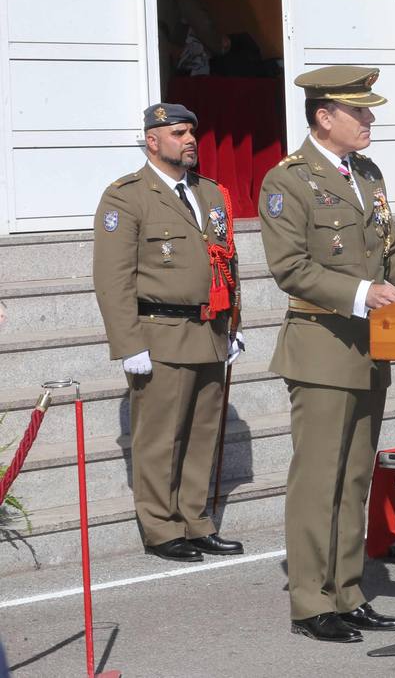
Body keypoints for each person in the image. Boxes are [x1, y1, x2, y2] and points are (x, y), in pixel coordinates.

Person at [258, 67, 395, 642]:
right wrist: (363, 293)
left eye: (368, 111)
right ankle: (311, 603)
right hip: (321, 348)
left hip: (369, 348)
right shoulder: (287, 180)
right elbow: (289, 267)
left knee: (356, 477)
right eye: (359, 112)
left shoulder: (366, 173)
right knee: (319, 480)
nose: (370, 120)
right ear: (324, 116)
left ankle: (346, 590)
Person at [92, 103, 244, 563]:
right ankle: (161, 529)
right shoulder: (127, 196)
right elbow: (112, 277)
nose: (190, 140)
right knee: (160, 438)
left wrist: (234, 323)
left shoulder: (211, 193)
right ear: (152, 141)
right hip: (159, 332)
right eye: (179, 133)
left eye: (192, 132)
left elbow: (227, 262)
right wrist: (128, 342)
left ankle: (195, 521)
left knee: (203, 432)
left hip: (209, 330)